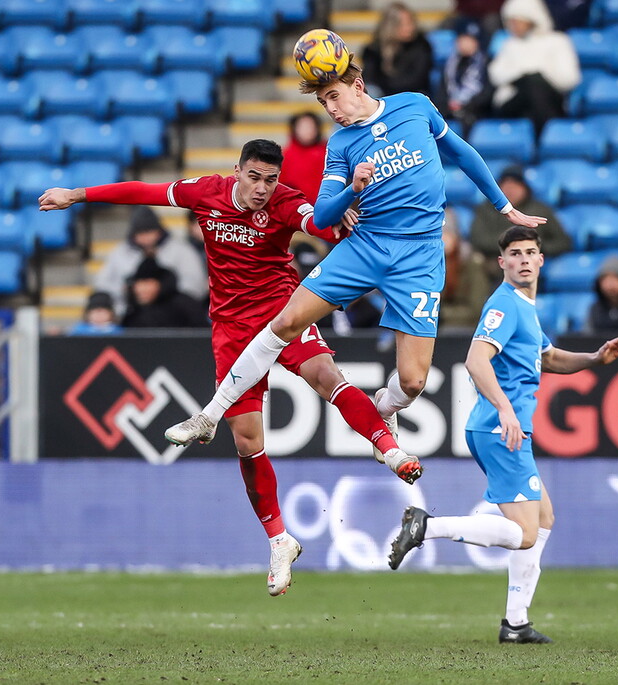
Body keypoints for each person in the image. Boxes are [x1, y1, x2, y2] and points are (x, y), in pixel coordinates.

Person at [39, 139, 412, 597]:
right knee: (247, 440)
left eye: (269, 180)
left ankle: (390, 448)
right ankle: (280, 541)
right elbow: (143, 191)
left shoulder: (285, 201)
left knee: (325, 377)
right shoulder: (205, 192)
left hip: (284, 311)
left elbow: (315, 222)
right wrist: (76, 194)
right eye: (254, 177)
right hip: (232, 329)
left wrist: (346, 199)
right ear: (238, 171)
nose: (261, 188)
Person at [162, 52, 546, 483]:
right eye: (324, 103)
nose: (331, 110)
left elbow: (461, 151)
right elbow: (324, 216)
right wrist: (352, 188)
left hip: (418, 258)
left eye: (333, 98)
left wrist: (504, 206)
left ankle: (383, 407)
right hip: (364, 247)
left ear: (357, 87)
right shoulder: (341, 145)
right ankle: (210, 415)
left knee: (414, 382)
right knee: (286, 320)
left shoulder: (415, 106)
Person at [387, 225, 618, 644]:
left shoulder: (525, 308)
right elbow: (475, 360)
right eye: (514, 252)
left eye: (529, 252)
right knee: (525, 534)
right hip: (501, 429)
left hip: (502, 428)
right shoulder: (504, 305)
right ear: (502, 262)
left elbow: (548, 357)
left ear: (540, 260)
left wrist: (594, 357)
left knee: (544, 519)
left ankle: (516, 622)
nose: (522, 258)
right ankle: (427, 527)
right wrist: (505, 409)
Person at [470, 166, 571, 294]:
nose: (510, 190)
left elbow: (563, 242)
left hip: (530, 263)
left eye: (515, 186)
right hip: (493, 264)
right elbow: (478, 239)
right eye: (506, 186)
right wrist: (512, 245)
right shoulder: (486, 209)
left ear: (525, 188)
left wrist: (535, 247)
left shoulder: (540, 210)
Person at [488, 0, 581, 136]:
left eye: (517, 21)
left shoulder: (558, 41)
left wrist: (538, 75)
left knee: (536, 86)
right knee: (532, 85)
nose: (513, 26)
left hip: (550, 96)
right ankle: (548, 136)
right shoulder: (509, 45)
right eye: (510, 21)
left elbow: (569, 78)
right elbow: (496, 74)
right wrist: (525, 74)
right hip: (515, 100)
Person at [94, 205, 208, 317]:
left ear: (159, 231)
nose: (146, 237)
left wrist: (165, 295)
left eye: (149, 231)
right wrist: (128, 295)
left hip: (173, 315)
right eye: (141, 233)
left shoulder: (181, 250)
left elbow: (194, 284)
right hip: (131, 314)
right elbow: (104, 285)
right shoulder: (119, 253)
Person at [361, 2, 434, 98]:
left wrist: (388, 85)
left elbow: (417, 79)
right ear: (390, 26)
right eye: (402, 24)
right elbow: (369, 78)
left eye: (410, 22)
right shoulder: (374, 49)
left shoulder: (422, 45)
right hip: (383, 96)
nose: (409, 28)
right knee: (370, 92)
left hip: (413, 94)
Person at [435, 18, 493, 138]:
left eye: (471, 39)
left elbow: (488, 93)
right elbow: (441, 92)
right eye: (463, 38)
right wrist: (449, 106)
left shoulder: (486, 63)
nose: (466, 43)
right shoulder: (449, 64)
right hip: (449, 112)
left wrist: (467, 106)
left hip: (475, 113)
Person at [120, 257, 209, 329]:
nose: (141, 289)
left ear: (160, 283)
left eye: (147, 283)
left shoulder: (184, 305)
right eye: (138, 283)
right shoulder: (133, 310)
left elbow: (202, 334)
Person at [280, 112, 327, 205]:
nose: (307, 131)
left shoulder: (328, 153)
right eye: (303, 127)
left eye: (310, 127)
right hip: (294, 207)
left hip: (323, 206)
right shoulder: (285, 155)